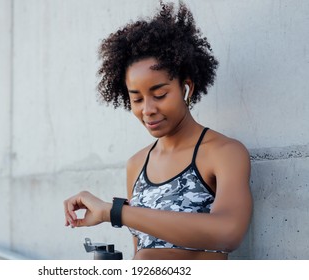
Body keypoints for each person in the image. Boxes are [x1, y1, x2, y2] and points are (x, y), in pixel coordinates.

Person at [63, 2, 252, 260]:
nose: (147, 109)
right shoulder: (137, 165)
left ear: (186, 87)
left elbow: (228, 233)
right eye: (137, 99)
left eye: (160, 94)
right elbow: (141, 250)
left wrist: (114, 212)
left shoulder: (223, 153)